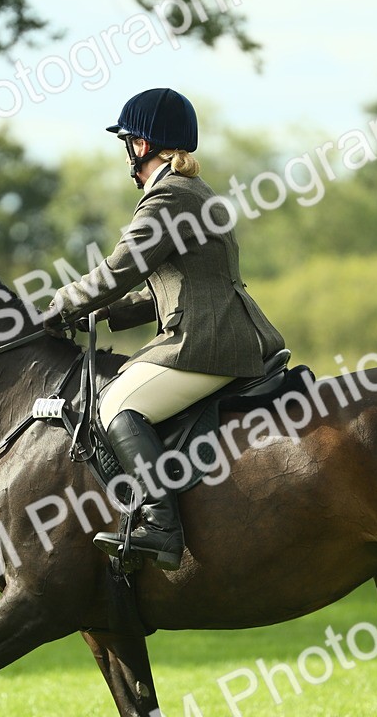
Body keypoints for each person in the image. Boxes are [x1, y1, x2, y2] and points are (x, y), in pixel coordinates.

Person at [44, 87, 285, 571]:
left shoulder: (169, 196)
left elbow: (117, 271)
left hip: (205, 343)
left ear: (142, 145)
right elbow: (180, 282)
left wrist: (58, 306)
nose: (128, 152)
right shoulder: (196, 191)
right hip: (224, 331)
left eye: (129, 142)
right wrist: (112, 313)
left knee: (114, 403)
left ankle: (159, 525)